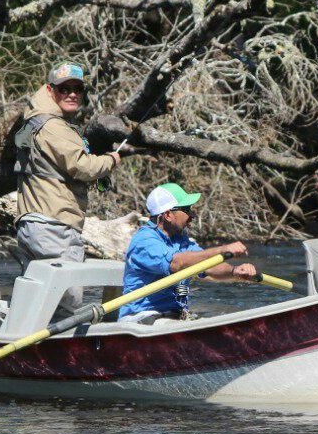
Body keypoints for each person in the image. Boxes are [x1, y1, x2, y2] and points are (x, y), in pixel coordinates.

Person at [15, 61, 121, 314]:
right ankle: (64, 352)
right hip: (55, 228)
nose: (72, 94)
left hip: (34, 225)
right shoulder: (53, 125)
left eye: (78, 89)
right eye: (64, 89)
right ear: (51, 91)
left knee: (36, 301)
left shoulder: (38, 120)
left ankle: (29, 349)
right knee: (66, 304)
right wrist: (111, 160)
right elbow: (82, 167)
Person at [118, 182, 258, 324]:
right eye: (186, 210)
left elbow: (208, 265)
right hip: (140, 317)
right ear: (168, 214)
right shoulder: (144, 241)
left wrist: (234, 271)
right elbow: (176, 263)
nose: (192, 215)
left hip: (171, 317)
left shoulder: (182, 241)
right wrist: (222, 250)